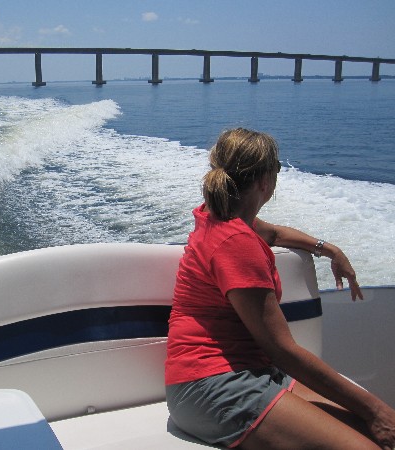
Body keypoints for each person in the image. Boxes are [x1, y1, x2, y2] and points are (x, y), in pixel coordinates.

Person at [165, 128, 395, 449]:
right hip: (214, 386)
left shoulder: (220, 217)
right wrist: (377, 409)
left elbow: (273, 233)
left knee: (371, 432)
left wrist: (329, 249)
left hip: (245, 373)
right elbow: (282, 350)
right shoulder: (236, 243)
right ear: (265, 181)